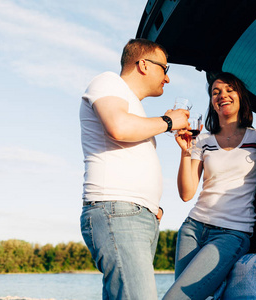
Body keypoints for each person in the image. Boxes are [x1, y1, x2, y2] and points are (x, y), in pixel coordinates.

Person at [79, 38, 189, 299]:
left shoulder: (132, 105)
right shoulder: (108, 81)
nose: (168, 78)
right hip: (118, 212)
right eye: (165, 68)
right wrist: (167, 121)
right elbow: (119, 127)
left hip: (136, 216)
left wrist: (153, 208)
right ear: (143, 65)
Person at [163, 72, 256, 300]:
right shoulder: (202, 141)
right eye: (215, 92)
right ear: (212, 104)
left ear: (240, 97)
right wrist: (186, 151)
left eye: (229, 89)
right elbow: (186, 194)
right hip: (192, 229)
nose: (222, 95)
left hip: (232, 233)